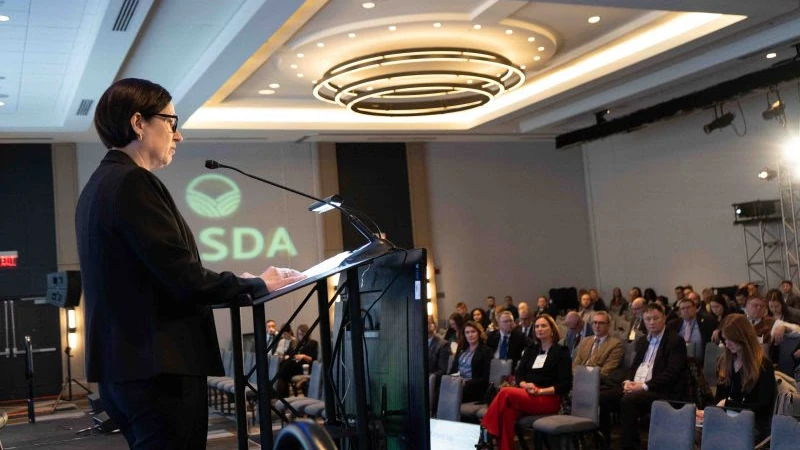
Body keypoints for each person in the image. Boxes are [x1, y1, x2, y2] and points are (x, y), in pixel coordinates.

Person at [76, 78, 305, 450]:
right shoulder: (133, 182)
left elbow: (154, 275)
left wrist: (236, 281)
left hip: (126, 369)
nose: (178, 135)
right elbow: (182, 278)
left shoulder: (98, 186)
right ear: (139, 123)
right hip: (159, 369)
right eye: (171, 121)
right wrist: (257, 284)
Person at [601, 303, 688, 450]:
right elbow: (634, 366)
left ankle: (630, 445)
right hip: (639, 386)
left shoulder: (675, 340)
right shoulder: (642, 341)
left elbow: (672, 373)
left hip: (662, 390)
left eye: (655, 318)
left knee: (628, 400)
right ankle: (603, 443)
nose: (652, 322)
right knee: (603, 397)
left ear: (664, 318)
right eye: (648, 319)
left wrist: (644, 386)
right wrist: (628, 382)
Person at [478, 314, 572, 450]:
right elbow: (519, 375)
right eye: (537, 326)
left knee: (505, 392)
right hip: (527, 394)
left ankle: (486, 431)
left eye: (544, 326)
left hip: (548, 398)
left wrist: (540, 391)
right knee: (507, 414)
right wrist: (525, 385)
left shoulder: (561, 352)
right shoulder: (531, 350)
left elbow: (565, 385)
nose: (539, 329)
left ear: (552, 329)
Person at [696, 314, 776, 443]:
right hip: (726, 419)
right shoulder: (724, 362)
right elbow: (720, 398)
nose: (727, 344)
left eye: (731, 340)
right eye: (725, 340)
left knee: (715, 438)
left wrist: (727, 404)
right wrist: (709, 412)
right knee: (690, 432)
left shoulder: (763, 366)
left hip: (751, 424)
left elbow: (762, 408)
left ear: (743, 337)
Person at [573, 311, 625, 441]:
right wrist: (579, 377)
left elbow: (607, 370)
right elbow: (575, 365)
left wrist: (584, 377)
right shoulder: (585, 341)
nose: (597, 326)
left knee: (598, 397)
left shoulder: (615, 344)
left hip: (600, 383)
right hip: (579, 381)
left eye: (601, 323)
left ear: (608, 325)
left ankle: (597, 439)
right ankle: (574, 433)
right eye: (595, 323)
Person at [449, 321, 493, 402]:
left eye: (473, 332)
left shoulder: (486, 351)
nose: (470, 335)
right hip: (457, 384)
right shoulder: (461, 348)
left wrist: (465, 383)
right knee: (440, 389)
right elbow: (453, 369)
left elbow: (485, 378)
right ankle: (434, 414)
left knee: (448, 394)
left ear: (479, 333)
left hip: (474, 388)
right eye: (467, 332)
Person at [668, 297, 718, 362]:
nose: (686, 310)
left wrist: (718, 330)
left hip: (701, 362)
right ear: (680, 311)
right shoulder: (673, 324)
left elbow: (721, 325)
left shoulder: (707, 321)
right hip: (680, 362)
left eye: (688, 307)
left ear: (695, 308)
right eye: (683, 308)